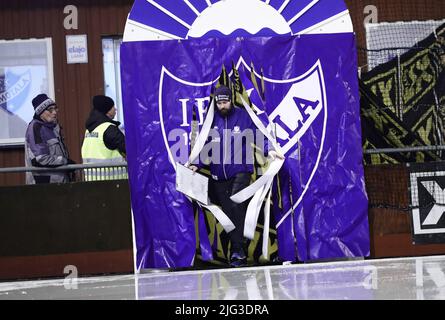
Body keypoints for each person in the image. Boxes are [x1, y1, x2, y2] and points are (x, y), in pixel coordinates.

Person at [189, 85, 283, 267]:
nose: (222, 106)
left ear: (231, 100)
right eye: (219, 103)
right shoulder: (211, 119)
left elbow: (258, 135)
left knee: (235, 204)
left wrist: (269, 150)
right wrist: (196, 163)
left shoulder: (243, 116)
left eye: (225, 102)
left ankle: (238, 252)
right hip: (218, 177)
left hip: (241, 171)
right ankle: (238, 251)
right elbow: (204, 144)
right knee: (230, 215)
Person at [25, 94, 74, 184]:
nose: (54, 112)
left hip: (60, 181)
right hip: (45, 185)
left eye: (55, 108)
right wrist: (65, 161)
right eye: (50, 109)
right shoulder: (36, 128)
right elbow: (40, 159)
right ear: (40, 112)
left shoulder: (53, 127)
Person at [81, 95, 126, 181]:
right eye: (113, 107)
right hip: (113, 182)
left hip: (91, 181)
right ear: (107, 110)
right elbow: (127, 148)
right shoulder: (109, 128)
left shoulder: (89, 129)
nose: (115, 109)